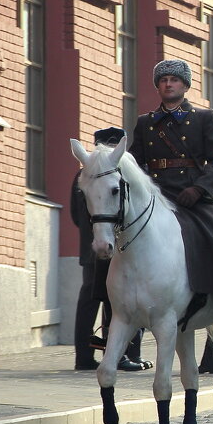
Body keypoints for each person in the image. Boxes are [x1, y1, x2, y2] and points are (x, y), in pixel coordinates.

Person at [128, 59, 213, 350]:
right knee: (117, 243)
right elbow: (135, 165)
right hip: (157, 198)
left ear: (185, 85)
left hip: (194, 197)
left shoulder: (204, 118)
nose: (168, 84)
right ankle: (111, 320)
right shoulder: (146, 123)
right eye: (163, 80)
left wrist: (199, 189)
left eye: (174, 79)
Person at [71, 126, 148, 371]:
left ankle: (83, 356)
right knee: (120, 300)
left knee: (89, 301)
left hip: (89, 246)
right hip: (114, 244)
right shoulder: (116, 174)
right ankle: (125, 355)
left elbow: (75, 214)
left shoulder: (83, 175)